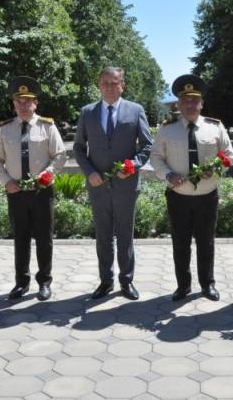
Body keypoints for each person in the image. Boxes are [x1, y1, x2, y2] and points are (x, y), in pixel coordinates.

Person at [151, 75, 233, 301]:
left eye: (194, 100)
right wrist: (168, 175)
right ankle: (183, 286)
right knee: (180, 243)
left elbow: (228, 156)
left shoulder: (215, 127)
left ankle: (207, 284)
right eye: (185, 100)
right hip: (178, 196)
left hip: (207, 195)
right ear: (178, 104)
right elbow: (156, 158)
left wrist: (216, 170)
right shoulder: (167, 130)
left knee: (206, 241)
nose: (189, 104)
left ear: (201, 104)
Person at [74, 67, 153, 300]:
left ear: (122, 85)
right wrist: (89, 172)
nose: (109, 87)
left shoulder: (135, 110)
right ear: (99, 85)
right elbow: (78, 147)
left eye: (114, 83)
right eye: (105, 83)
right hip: (97, 185)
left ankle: (126, 281)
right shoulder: (87, 112)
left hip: (126, 186)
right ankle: (105, 281)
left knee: (125, 234)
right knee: (103, 235)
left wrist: (133, 165)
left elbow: (147, 145)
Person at [0, 77, 66, 301]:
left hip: (41, 192)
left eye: (27, 101)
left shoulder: (47, 126)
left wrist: (47, 174)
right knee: (20, 238)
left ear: (35, 103)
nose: (23, 106)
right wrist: (6, 181)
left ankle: (44, 282)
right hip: (16, 192)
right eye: (18, 101)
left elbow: (60, 155)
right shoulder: (5, 130)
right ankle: (21, 283)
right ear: (14, 104)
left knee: (44, 238)